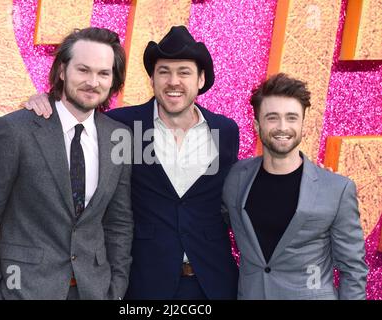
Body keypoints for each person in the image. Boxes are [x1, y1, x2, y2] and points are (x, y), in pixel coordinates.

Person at [25, 25, 239, 299]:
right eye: (164, 72)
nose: (173, 81)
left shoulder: (225, 131)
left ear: (200, 79)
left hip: (212, 283)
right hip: (144, 283)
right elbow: (74, 114)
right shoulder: (121, 126)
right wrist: (44, 100)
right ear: (152, 79)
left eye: (184, 72)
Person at [0, 27, 134, 300]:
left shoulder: (119, 137)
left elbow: (119, 223)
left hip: (95, 290)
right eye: (83, 70)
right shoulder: (15, 130)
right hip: (24, 290)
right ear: (63, 71)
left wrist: (115, 288)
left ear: (113, 79)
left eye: (103, 73)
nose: (93, 81)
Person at [222, 73, 368, 300]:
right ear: (256, 124)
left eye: (291, 118)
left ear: (302, 124)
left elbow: (353, 269)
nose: (282, 127)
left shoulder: (336, 189)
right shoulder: (235, 179)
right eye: (272, 117)